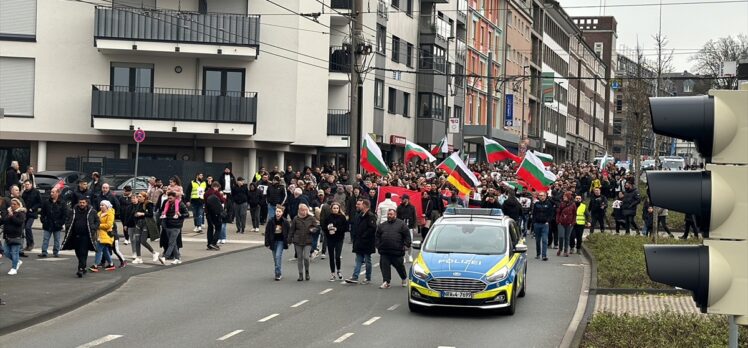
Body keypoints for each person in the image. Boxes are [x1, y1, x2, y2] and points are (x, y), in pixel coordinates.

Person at [62, 198, 99, 277]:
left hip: (86, 235)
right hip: (75, 235)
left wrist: (93, 227)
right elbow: (67, 219)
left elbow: (97, 221)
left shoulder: (92, 212)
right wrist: (67, 225)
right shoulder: (73, 211)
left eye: (83, 202)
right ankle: (83, 266)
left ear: (86, 203)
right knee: (78, 252)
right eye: (80, 202)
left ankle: (81, 269)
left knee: (83, 252)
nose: (82, 204)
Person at [375, 209, 411, 289]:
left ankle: (404, 278)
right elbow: (377, 236)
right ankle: (386, 282)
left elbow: (407, 236)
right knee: (384, 266)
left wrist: (406, 245)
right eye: (388, 214)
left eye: (391, 214)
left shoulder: (402, 224)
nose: (389, 216)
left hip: (397, 252)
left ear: (395, 215)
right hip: (384, 251)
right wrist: (378, 245)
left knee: (400, 267)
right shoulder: (382, 225)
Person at [345, 199, 377, 285]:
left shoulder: (371, 216)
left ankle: (368, 277)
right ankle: (355, 276)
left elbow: (372, 228)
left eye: (360, 204)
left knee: (367, 260)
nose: (358, 206)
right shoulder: (359, 215)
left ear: (365, 206)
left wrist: (364, 236)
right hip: (359, 241)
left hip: (367, 242)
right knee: (358, 259)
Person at [288, 204, 318, 281]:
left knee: (306, 258)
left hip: (308, 241)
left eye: (305, 210)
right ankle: (300, 274)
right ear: (299, 210)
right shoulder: (296, 219)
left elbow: (316, 227)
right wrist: (289, 240)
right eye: (302, 210)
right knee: (299, 258)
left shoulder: (311, 218)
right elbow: (292, 230)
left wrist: (313, 229)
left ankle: (307, 272)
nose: (304, 212)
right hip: (297, 241)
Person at [159, 191, 188, 265]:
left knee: (171, 242)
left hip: (176, 226)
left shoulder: (180, 204)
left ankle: (165, 257)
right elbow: (163, 213)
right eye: (168, 198)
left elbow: (187, 214)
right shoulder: (166, 204)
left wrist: (180, 215)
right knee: (174, 243)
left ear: (175, 198)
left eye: (171, 198)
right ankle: (178, 258)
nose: (169, 200)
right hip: (168, 226)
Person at [128, 192, 158, 264]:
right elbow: (135, 213)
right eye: (138, 196)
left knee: (143, 240)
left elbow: (150, 214)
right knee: (137, 240)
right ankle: (139, 257)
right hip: (138, 223)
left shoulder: (148, 204)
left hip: (145, 223)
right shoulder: (139, 204)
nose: (138, 198)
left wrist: (142, 213)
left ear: (144, 197)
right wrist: (136, 215)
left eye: (140, 196)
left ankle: (154, 252)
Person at [39, 187, 68, 258]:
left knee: (57, 240)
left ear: (57, 193)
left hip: (57, 224)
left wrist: (60, 223)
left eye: (53, 192)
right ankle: (44, 252)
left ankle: (56, 252)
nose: (51, 194)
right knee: (46, 239)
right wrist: (43, 221)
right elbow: (42, 213)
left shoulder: (62, 203)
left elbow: (64, 215)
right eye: (51, 192)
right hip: (48, 223)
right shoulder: (46, 202)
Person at [322, 202, 348, 281]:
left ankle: (339, 270)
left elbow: (346, 228)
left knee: (337, 256)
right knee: (331, 256)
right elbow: (323, 226)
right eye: (334, 208)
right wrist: (328, 229)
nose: (336, 210)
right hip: (330, 238)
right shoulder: (328, 217)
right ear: (331, 209)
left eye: (337, 208)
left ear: (339, 209)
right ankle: (332, 273)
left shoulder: (342, 217)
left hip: (339, 238)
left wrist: (337, 229)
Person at [265, 206, 290, 281]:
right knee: (275, 258)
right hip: (273, 241)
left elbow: (289, 233)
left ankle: (277, 274)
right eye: (277, 211)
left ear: (282, 213)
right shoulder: (271, 221)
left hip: (281, 241)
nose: (278, 213)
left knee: (278, 256)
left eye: (279, 211)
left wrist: (288, 242)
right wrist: (267, 243)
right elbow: (267, 232)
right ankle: (278, 270)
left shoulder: (285, 222)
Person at [2, 198, 26, 275]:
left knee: (14, 253)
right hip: (7, 236)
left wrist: (12, 216)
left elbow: (19, 222)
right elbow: (4, 221)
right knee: (6, 252)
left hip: (16, 236)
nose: (12, 205)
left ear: (18, 205)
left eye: (14, 204)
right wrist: (9, 215)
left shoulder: (21, 213)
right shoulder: (8, 212)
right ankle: (17, 261)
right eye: (11, 204)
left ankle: (14, 268)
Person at [92, 200, 115, 272]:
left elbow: (109, 225)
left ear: (107, 206)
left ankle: (95, 265)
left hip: (106, 235)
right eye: (100, 205)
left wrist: (98, 225)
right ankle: (111, 264)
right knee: (105, 250)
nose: (101, 206)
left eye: (103, 205)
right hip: (99, 234)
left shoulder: (110, 214)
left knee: (98, 250)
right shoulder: (99, 213)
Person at [531, 191, 554, 261]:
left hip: (545, 224)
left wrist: (548, 221)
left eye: (542, 195)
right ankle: (538, 254)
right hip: (537, 224)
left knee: (544, 240)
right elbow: (533, 213)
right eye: (540, 195)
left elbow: (551, 214)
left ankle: (544, 255)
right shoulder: (536, 204)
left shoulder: (549, 204)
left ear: (545, 196)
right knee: (538, 240)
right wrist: (534, 222)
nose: (541, 197)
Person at [21, 180, 41, 252]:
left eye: (28, 184)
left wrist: (33, 208)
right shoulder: (24, 193)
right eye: (25, 185)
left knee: (28, 227)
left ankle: (31, 243)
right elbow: (22, 201)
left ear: (31, 184)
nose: (26, 186)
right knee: (23, 228)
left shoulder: (36, 192)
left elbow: (40, 202)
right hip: (25, 213)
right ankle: (26, 244)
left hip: (32, 213)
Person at [396, 194, 417, 263]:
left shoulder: (412, 207)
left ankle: (410, 255)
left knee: (410, 241)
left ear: (407, 199)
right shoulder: (399, 207)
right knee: (401, 241)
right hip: (401, 227)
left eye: (403, 199)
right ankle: (403, 256)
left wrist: (414, 226)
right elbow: (397, 217)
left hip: (410, 226)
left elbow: (414, 217)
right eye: (402, 199)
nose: (402, 200)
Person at [204, 182, 226, 250]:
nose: (218, 189)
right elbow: (222, 201)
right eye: (218, 188)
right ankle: (213, 243)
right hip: (216, 213)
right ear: (216, 187)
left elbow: (205, 202)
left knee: (210, 228)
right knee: (218, 228)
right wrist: (224, 197)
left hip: (208, 212)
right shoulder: (216, 193)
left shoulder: (206, 193)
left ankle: (209, 243)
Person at [555, 192, 576, 257]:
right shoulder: (561, 204)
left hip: (569, 223)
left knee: (567, 237)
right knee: (561, 236)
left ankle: (565, 251)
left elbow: (574, 214)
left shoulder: (573, 205)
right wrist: (558, 221)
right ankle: (560, 249)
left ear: (568, 197)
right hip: (561, 223)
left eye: (565, 196)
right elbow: (558, 213)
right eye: (564, 196)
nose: (564, 197)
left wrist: (572, 223)